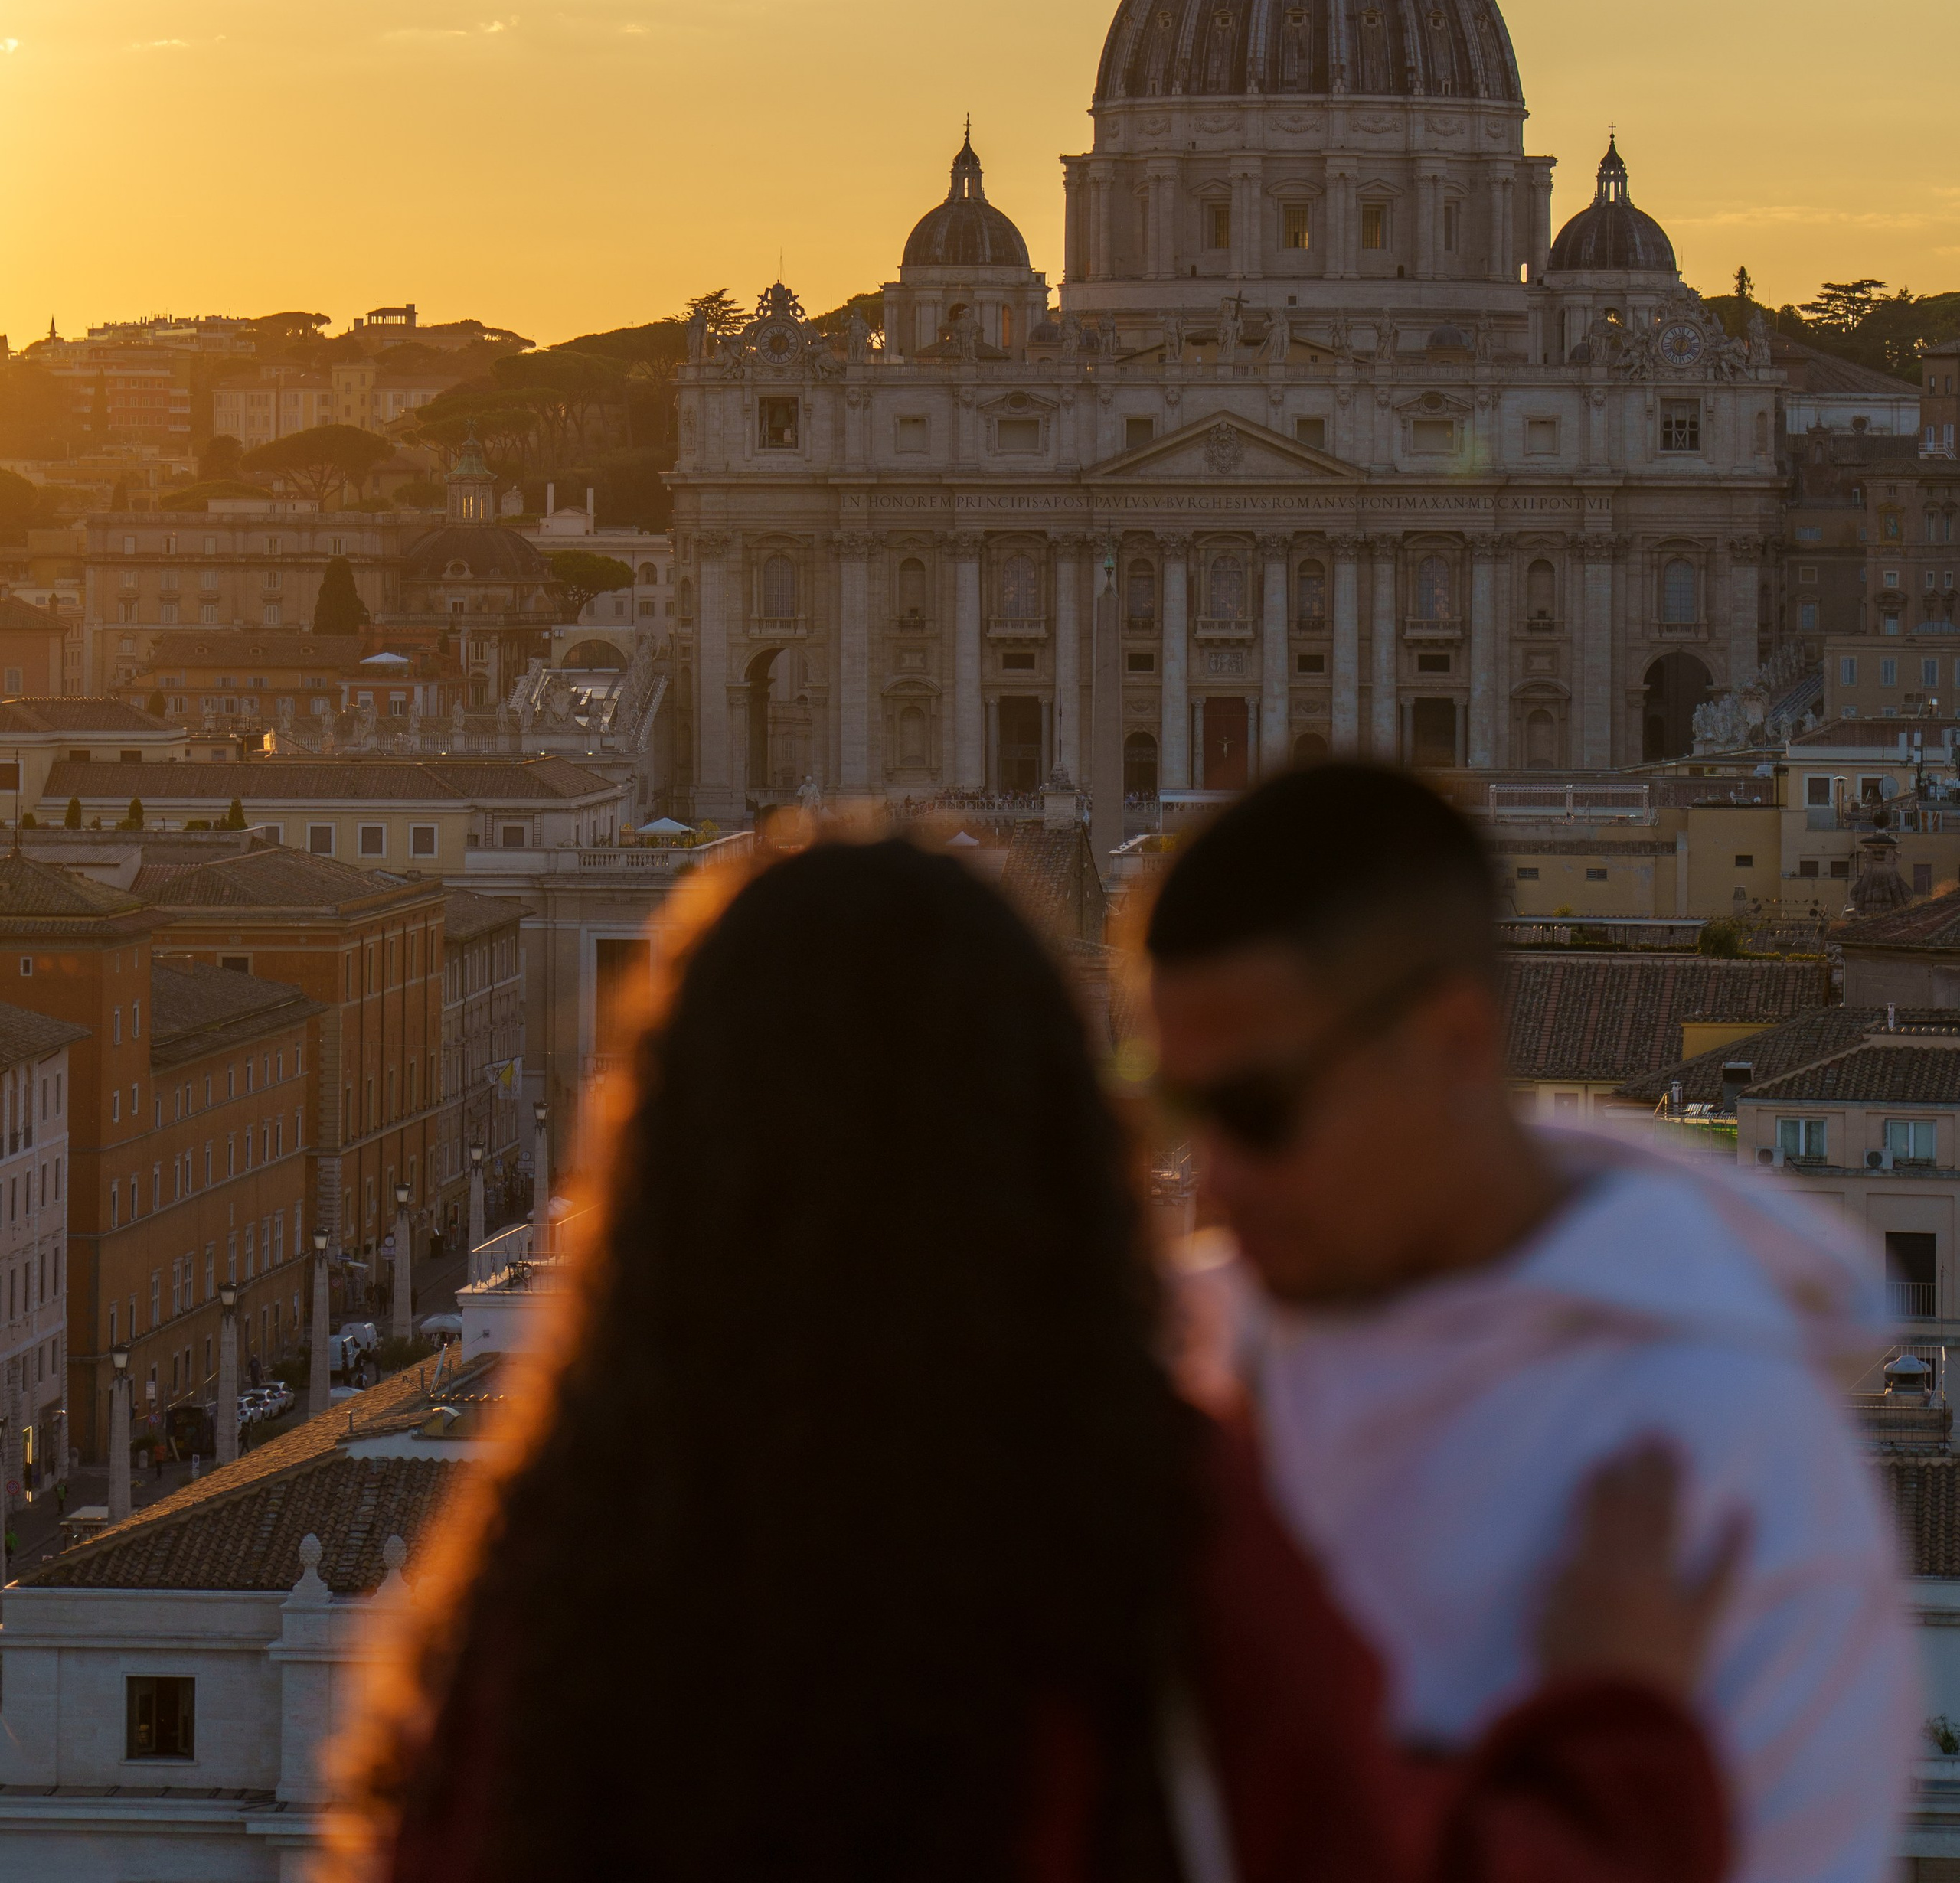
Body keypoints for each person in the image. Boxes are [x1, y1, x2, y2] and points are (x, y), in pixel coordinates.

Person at [332, 834, 1734, 1883]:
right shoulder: (1156, 1524)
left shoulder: (544, 1575)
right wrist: (1621, 1721)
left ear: (663, 1165)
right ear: (1050, 1138)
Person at [1150, 765, 1915, 1883]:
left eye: (1258, 1113)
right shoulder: (1198, 1368)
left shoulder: (1735, 1462)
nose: (1211, 1179)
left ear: (1455, 1041)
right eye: (1181, 1113)